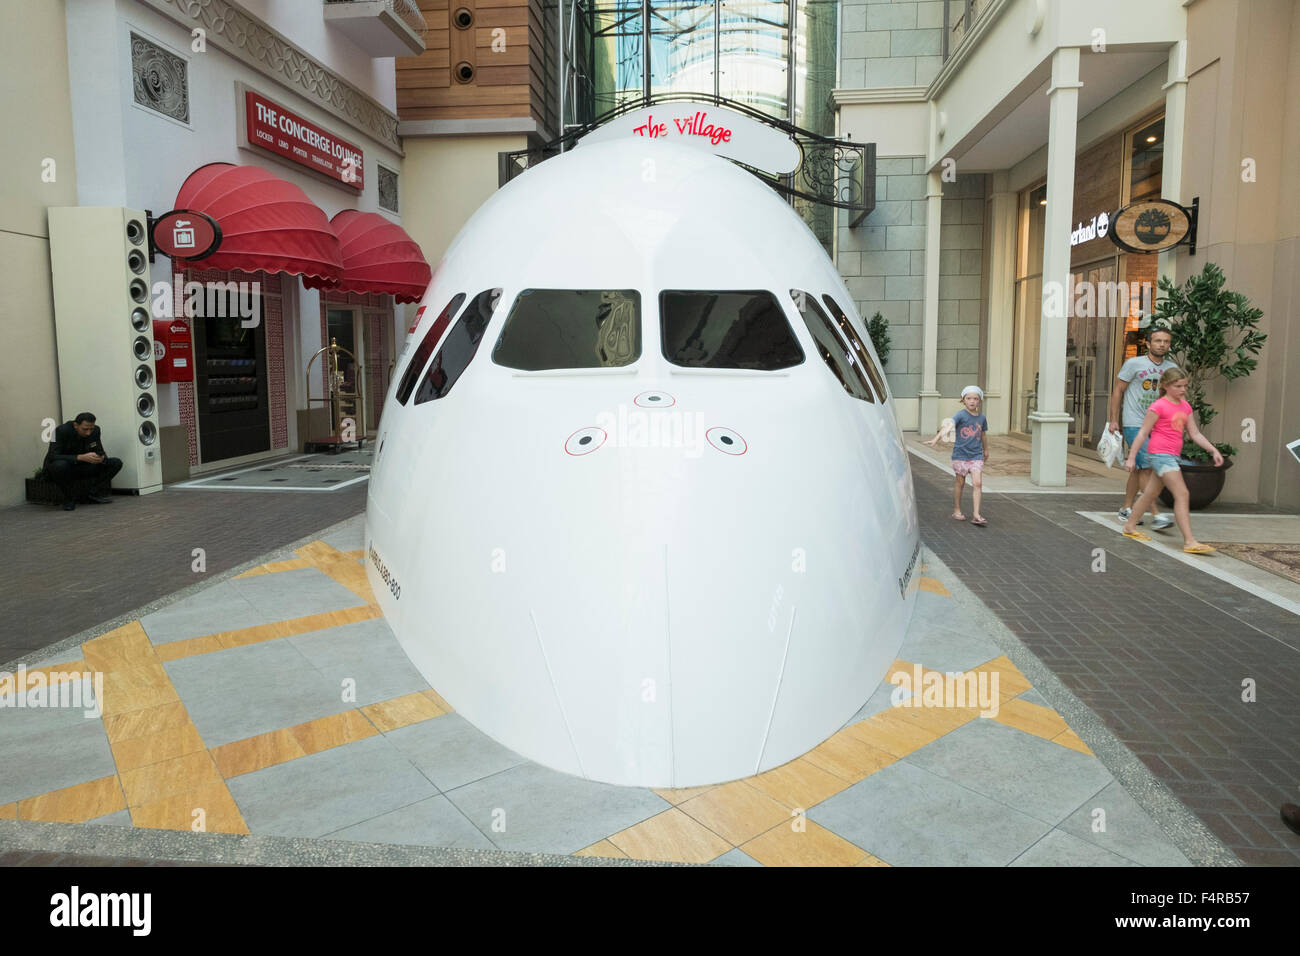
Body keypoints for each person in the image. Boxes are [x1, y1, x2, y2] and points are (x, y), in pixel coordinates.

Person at [1120, 367, 1222, 553]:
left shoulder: (1185, 406)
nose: (1183, 390)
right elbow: (1143, 433)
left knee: (1150, 494)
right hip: (1160, 455)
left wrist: (1213, 449)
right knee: (1182, 494)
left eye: (1185, 386)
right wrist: (1132, 458)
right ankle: (1190, 541)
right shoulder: (1158, 406)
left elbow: (1195, 433)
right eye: (1178, 386)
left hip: (1170, 456)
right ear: (1166, 386)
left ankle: (1129, 527)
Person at [1107, 326, 1178, 531]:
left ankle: (1127, 508)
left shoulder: (1171, 368)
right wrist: (1114, 420)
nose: (1162, 344)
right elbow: (1118, 391)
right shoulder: (1134, 364)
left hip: (1159, 425)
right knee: (1147, 466)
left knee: (1139, 468)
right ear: (1148, 344)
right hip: (1134, 422)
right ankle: (1156, 515)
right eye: (1157, 341)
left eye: (1166, 341)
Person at [923, 385, 990, 526]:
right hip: (960, 455)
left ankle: (976, 514)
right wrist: (936, 439)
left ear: (980, 401)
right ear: (963, 400)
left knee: (978, 483)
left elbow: (983, 434)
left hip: (976, 456)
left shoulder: (982, 418)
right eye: (969, 398)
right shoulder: (960, 415)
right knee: (960, 482)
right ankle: (957, 510)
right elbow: (948, 426)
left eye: (975, 399)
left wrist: (986, 450)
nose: (972, 401)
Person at [43, 412, 122, 512]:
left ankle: (91, 494)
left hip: (82, 466)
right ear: (76, 425)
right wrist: (79, 457)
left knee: (115, 463)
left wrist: (101, 457)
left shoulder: (96, 430)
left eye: (91, 429)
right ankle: (69, 498)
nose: (88, 433)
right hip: (62, 468)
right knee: (60, 465)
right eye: (85, 429)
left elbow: (99, 449)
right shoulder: (59, 431)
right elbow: (52, 456)